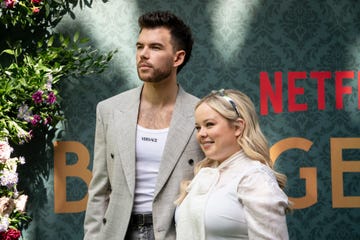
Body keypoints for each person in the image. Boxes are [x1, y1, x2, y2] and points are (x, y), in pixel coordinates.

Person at [83, 11, 204, 240]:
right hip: (118, 232)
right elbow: (99, 189)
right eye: (140, 46)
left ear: (177, 58)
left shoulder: (200, 113)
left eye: (155, 48)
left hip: (177, 233)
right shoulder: (109, 110)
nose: (143, 55)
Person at [175, 89, 291, 240]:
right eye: (198, 127)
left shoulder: (254, 177)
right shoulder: (203, 175)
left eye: (209, 124)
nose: (201, 134)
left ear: (238, 127)